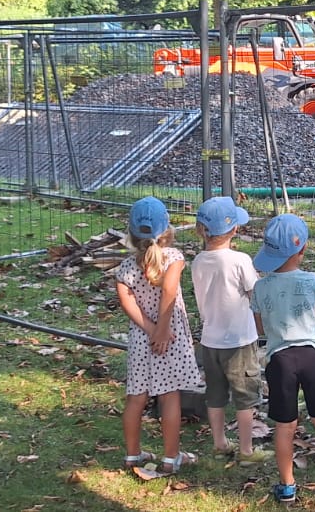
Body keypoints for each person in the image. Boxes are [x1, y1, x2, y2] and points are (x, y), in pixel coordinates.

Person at [250, 213, 315, 503]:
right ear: (302, 249)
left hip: (281, 359)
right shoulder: (312, 281)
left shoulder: (261, 287)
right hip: (314, 356)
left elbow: (260, 328)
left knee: (285, 425)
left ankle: (286, 486)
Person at [115, 196, 203, 476]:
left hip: (142, 340)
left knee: (135, 398)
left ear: (130, 232)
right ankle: (170, 457)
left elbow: (126, 300)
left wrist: (150, 329)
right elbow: (169, 291)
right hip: (170, 337)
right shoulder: (173, 258)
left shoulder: (126, 267)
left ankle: (132, 454)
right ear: (167, 229)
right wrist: (162, 329)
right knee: (169, 397)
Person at [189, 195, 270, 464]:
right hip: (240, 341)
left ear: (201, 230)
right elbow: (254, 292)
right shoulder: (240, 260)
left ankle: (219, 443)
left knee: (215, 395)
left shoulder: (198, 261)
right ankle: (246, 450)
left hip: (210, 341)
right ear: (234, 229)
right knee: (245, 397)